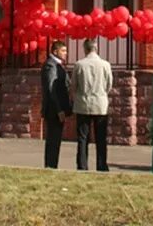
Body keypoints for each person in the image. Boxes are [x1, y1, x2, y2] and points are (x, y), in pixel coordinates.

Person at [72, 39, 113, 172]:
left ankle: (82, 165)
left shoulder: (79, 64)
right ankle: (102, 165)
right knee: (101, 137)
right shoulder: (105, 65)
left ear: (85, 49)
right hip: (100, 104)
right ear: (96, 48)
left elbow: (74, 85)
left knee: (83, 137)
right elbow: (109, 84)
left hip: (83, 103)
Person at [41, 40, 71, 169]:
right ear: (55, 51)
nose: (66, 53)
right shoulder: (51, 65)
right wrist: (59, 110)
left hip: (58, 109)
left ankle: (53, 165)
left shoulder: (58, 65)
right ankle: (50, 166)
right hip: (54, 110)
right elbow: (51, 89)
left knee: (56, 140)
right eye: (63, 51)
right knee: (53, 140)